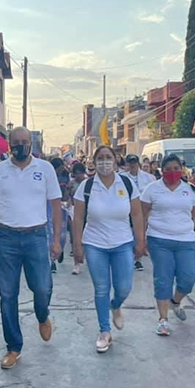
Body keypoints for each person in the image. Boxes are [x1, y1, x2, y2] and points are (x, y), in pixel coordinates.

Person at [0, 126, 63, 370]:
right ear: (9, 144)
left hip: (36, 237)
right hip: (6, 238)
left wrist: (56, 239)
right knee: (8, 295)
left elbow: (56, 205)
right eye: (15, 142)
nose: (20, 145)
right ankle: (13, 347)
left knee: (42, 288)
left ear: (31, 143)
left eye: (24, 141)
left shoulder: (45, 169)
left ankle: (42, 315)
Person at [72, 146, 146, 353]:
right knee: (101, 288)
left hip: (123, 242)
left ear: (115, 161)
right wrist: (77, 245)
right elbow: (77, 218)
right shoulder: (86, 187)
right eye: (100, 158)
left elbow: (137, 214)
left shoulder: (127, 184)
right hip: (94, 244)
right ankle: (104, 331)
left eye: (108, 157)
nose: (104, 162)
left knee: (123, 287)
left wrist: (140, 240)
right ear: (94, 162)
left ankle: (116, 305)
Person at [141, 154, 195, 336]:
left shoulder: (190, 190)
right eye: (168, 169)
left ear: (182, 170)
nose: (172, 172)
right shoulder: (152, 189)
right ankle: (163, 320)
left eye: (176, 169)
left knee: (188, 279)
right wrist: (140, 239)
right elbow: (142, 215)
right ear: (161, 170)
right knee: (163, 279)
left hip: (185, 240)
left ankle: (175, 301)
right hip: (158, 239)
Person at [123, 154, 156, 271]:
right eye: (130, 162)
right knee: (128, 233)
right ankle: (128, 257)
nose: (133, 165)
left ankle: (138, 260)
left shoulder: (149, 178)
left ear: (138, 163)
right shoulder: (121, 177)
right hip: (126, 209)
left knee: (139, 233)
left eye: (134, 162)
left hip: (142, 209)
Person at [67, 162, 87, 274]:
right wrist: (68, 191)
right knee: (75, 236)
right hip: (74, 210)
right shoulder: (72, 183)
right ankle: (76, 264)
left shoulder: (88, 183)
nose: (78, 176)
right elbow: (66, 197)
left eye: (80, 173)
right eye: (76, 173)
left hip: (87, 212)